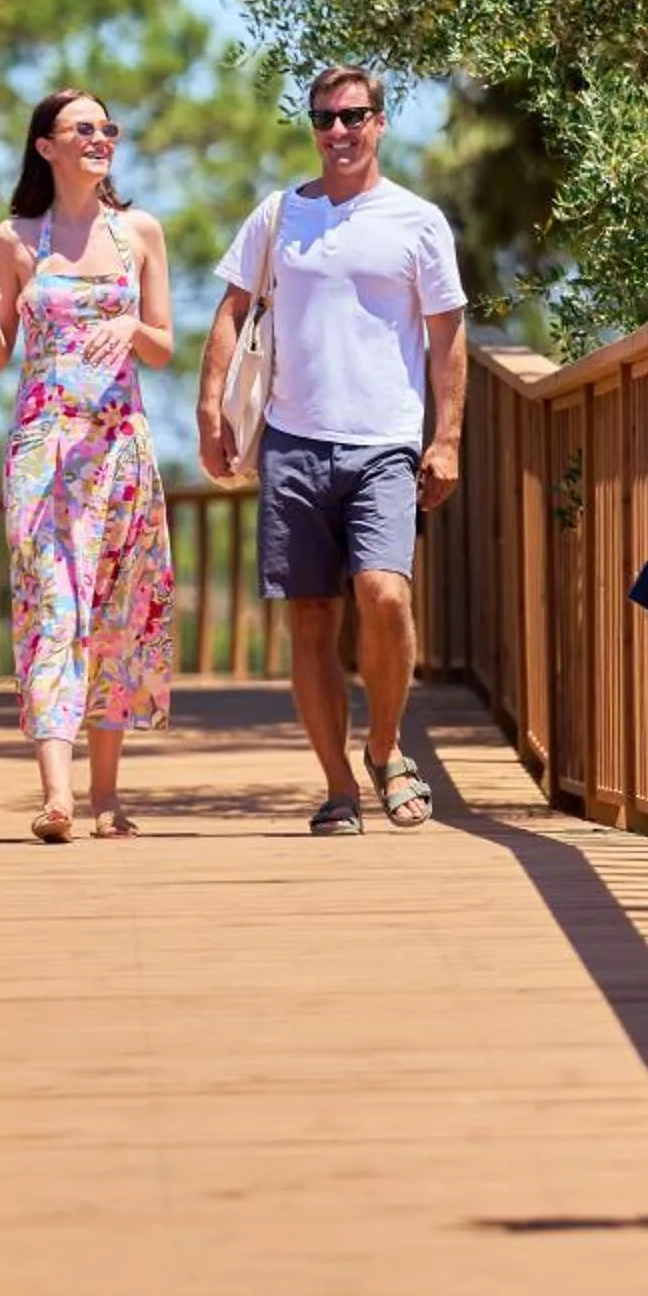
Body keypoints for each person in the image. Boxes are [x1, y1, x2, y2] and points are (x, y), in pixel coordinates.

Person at [198, 66, 468, 836]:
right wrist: (209, 410)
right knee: (311, 619)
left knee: (384, 595)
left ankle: (385, 745)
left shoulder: (417, 221)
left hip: (384, 440)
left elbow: (448, 335)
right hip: (291, 440)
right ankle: (338, 786)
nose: (338, 132)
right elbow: (231, 310)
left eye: (353, 116)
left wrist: (445, 438)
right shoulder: (279, 214)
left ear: (380, 123)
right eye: (324, 118)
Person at [0, 88, 176, 842]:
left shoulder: (139, 232)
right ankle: (56, 796)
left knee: (116, 612)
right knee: (53, 607)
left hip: (120, 448)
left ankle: (107, 799)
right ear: (45, 146)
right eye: (82, 129)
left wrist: (129, 325)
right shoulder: (15, 238)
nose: (99, 138)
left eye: (107, 128)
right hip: (44, 450)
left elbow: (164, 344)